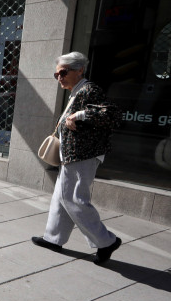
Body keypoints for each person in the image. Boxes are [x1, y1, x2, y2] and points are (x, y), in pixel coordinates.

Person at [32, 51, 123, 264]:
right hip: (73, 154)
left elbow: (111, 114)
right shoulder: (76, 91)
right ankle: (53, 238)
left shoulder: (89, 89)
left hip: (83, 155)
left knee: (73, 198)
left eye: (63, 72)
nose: (59, 78)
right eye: (57, 74)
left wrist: (79, 115)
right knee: (60, 198)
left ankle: (106, 241)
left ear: (79, 70)